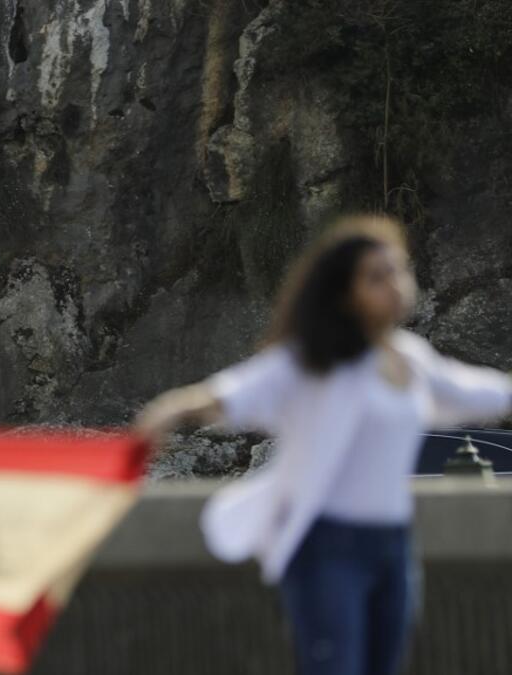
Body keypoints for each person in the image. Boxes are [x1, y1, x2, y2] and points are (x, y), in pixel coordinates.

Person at [134, 214, 512, 675]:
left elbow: (480, 391)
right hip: (328, 547)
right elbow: (235, 392)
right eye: (377, 277)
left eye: (399, 270)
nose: (395, 285)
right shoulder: (312, 360)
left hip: (393, 547)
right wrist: (167, 411)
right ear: (344, 293)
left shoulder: (411, 357)